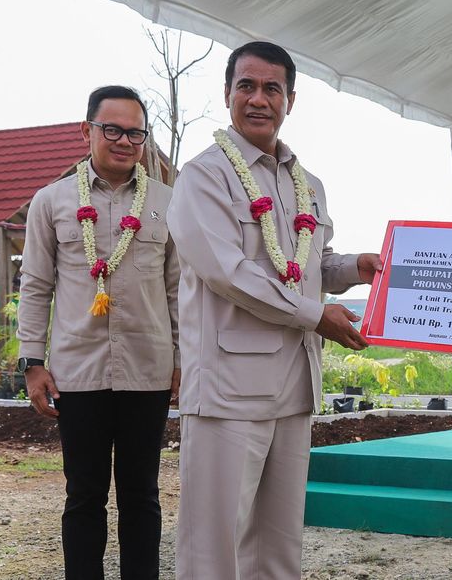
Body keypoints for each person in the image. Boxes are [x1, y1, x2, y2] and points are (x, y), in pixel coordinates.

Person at [167, 41, 381, 579]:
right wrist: (317, 317)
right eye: (247, 86)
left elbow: (308, 266)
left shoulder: (307, 184)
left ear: (290, 100)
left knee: (279, 547)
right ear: (226, 94)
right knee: (213, 549)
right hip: (228, 391)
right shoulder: (202, 176)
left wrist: (360, 267)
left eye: (272, 89)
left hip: (293, 387)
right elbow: (231, 275)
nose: (258, 99)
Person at [17, 85, 180, 579]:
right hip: (77, 373)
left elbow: (178, 291)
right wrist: (32, 362)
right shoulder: (52, 201)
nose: (124, 141)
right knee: (83, 495)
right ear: (86, 130)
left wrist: (181, 360)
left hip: (147, 372)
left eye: (135, 132)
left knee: (142, 497)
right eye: (112, 129)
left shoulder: (169, 203)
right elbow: (36, 283)